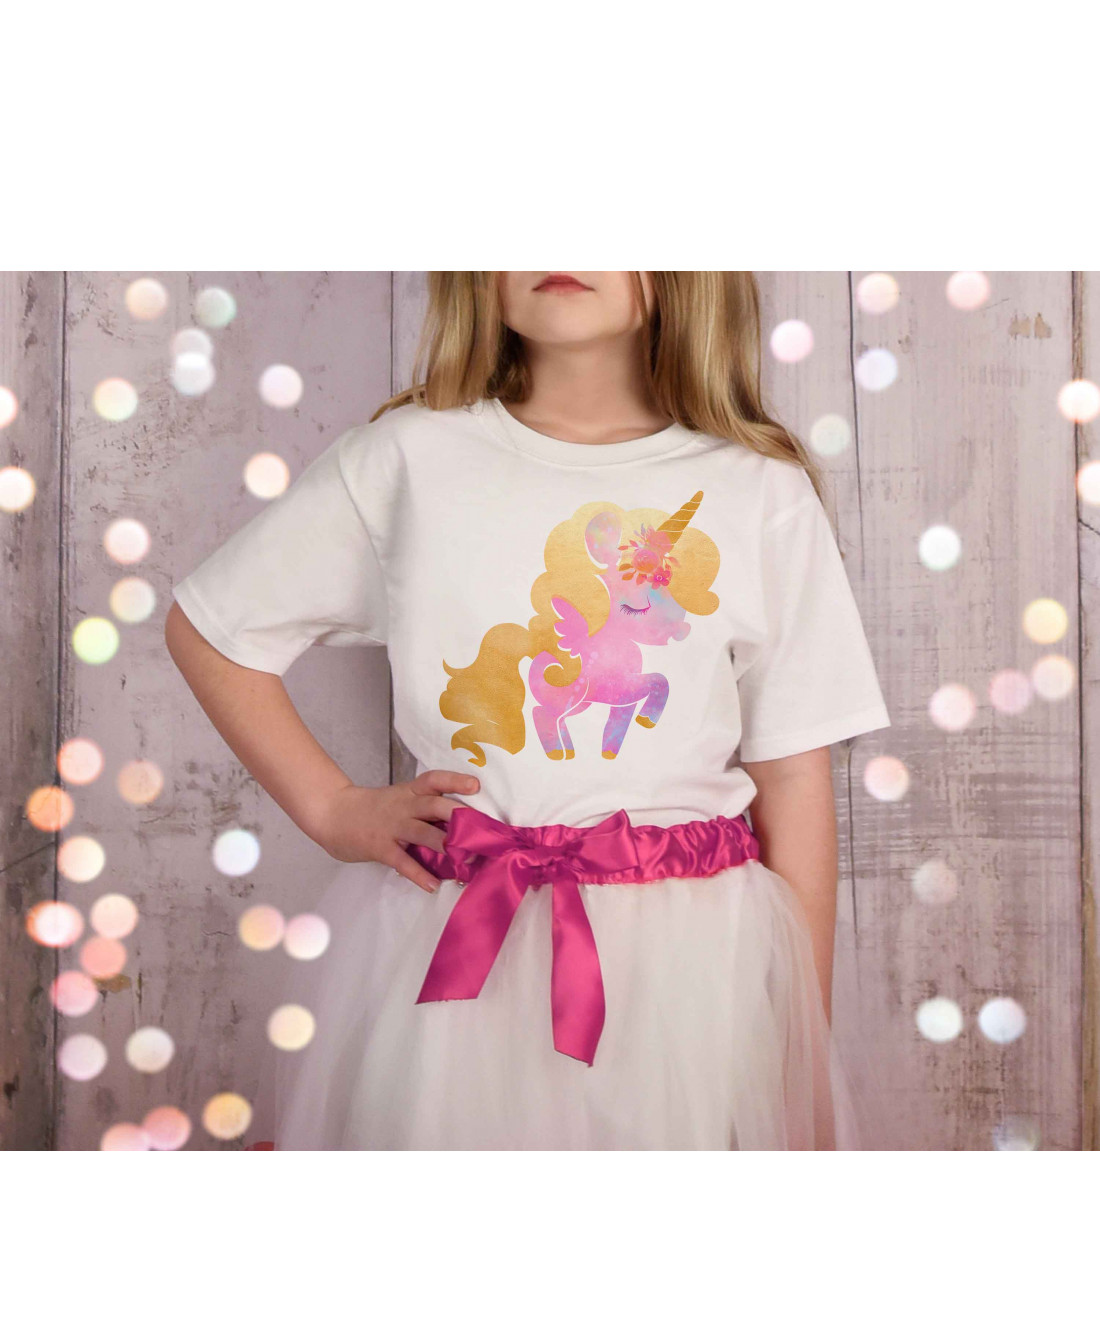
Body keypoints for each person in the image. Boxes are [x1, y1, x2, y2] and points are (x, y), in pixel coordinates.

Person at [166, 271, 892, 1150]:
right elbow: (215, 630)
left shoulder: (759, 488)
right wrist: (332, 808)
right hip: (458, 940)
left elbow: (794, 773)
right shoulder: (410, 459)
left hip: (690, 971)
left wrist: (801, 1060)